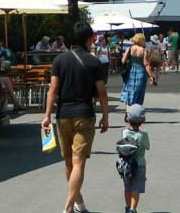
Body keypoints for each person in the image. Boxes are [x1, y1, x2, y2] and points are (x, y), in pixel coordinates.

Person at [43, 20, 109, 213]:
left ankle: (77, 203)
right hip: (84, 115)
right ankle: (68, 207)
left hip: (62, 115)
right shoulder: (93, 62)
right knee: (79, 162)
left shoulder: (59, 60)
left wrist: (46, 115)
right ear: (88, 39)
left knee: (69, 162)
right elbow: (102, 92)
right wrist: (105, 116)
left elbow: (53, 90)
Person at [118, 103, 151, 213]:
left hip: (126, 165)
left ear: (127, 118)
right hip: (139, 164)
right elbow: (148, 147)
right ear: (143, 119)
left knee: (127, 187)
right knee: (136, 188)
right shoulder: (143, 135)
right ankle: (133, 209)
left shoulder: (124, 132)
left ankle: (127, 207)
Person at [120, 33, 153, 107]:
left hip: (130, 72)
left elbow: (123, 61)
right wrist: (150, 76)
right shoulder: (143, 51)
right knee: (138, 92)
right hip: (140, 72)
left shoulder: (129, 49)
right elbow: (146, 64)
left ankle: (128, 113)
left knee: (129, 91)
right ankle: (136, 111)